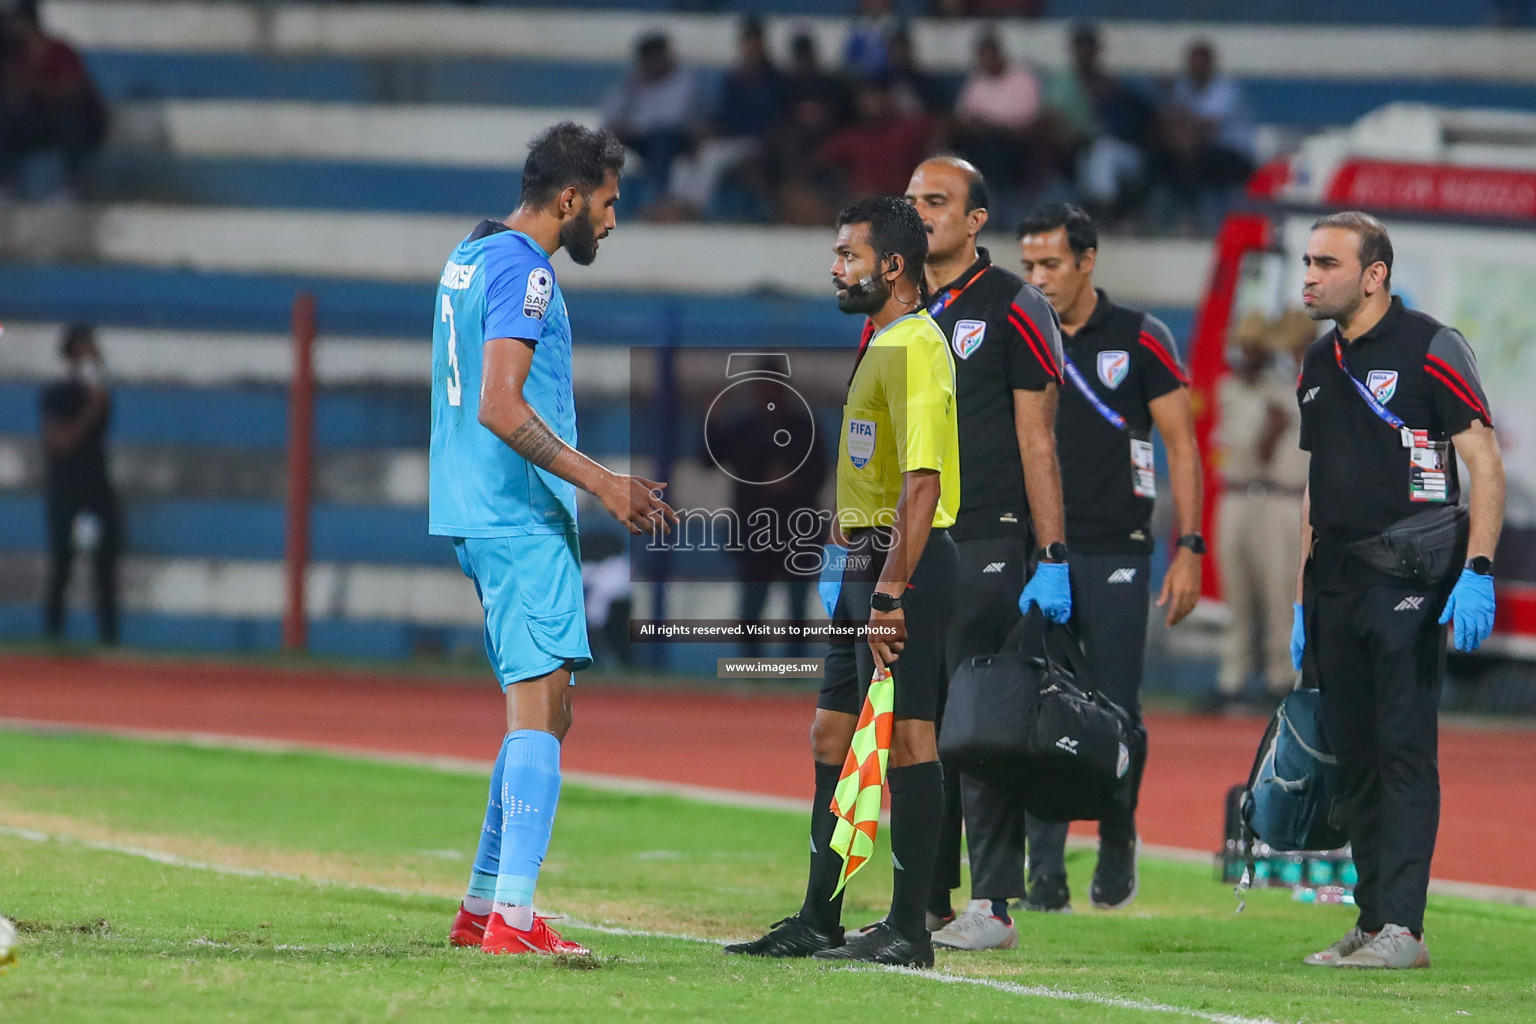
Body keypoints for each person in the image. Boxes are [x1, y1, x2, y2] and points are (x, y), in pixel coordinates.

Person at [431, 122, 678, 957]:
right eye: (607, 204)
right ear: (569, 199)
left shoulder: (470, 252)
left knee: (550, 709)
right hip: (518, 515)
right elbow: (500, 405)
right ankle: (512, 918)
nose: (612, 222)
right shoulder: (527, 272)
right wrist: (602, 481)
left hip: (476, 509)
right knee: (539, 711)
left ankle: (481, 906)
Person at [724, 196, 960, 967]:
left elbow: (922, 483)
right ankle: (819, 919)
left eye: (848, 255)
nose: (835, 267)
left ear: (893, 266)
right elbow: (870, 465)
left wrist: (890, 592)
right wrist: (841, 552)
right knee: (831, 732)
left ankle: (910, 931)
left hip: (903, 567)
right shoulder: (880, 339)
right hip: (863, 559)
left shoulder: (918, 347)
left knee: (908, 742)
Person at [1290, 212, 1504, 970]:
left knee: (1404, 748)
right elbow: (1316, 489)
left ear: (1373, 274)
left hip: (1410, 578)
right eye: (1307, 261)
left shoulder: (1431, 347)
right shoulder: (1317, 361)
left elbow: (1484, 462)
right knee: (1354, 757)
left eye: (1324, 262)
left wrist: (1477, 571)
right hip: (1335, 582)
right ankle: (1373, 915)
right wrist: (1300, 593)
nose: (1308, 275)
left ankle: (1404, 931)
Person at [902, 156, 1070, 951]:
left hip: (987, 539)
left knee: (976, 725)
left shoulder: (1017, 304)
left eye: (936, 201)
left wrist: (1054, 553)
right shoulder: (896, 303)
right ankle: (927, 904)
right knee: (917, 723)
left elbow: (1038, 438)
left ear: (975, 221)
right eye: (911, 201)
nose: (920, 212)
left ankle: (994, 903)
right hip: (914, 546)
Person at [1017, 203, 1204, 912]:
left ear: (1087, 261)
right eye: (1028, 265)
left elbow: (1181, 445)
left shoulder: (1140, 336)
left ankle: (1119, 830)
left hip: (1121, 548)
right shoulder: (1018, 333)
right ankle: (1044, 872)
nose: (1037, 278)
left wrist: (1189, 547)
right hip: (1042, 553)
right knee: (1037, 710)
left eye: (1051, 265)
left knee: (1117, 709)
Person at [1214, 310, 1311, 708]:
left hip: (1287, 497)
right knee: (1237, 590)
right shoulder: (1235, 389)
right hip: (1242, 492)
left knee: (1280, 592)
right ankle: (1233, 678)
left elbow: (1269, 446)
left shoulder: (1291, 389)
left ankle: (1281, 677)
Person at [39, 323, 120, 645]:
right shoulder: (58, 394)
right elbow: (59, 442)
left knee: (106, 563)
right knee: (62, 561)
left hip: (96, 485)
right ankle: (53, 637)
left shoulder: (100, 393)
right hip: (66, 488)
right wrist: (91, 410)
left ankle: (108, 637)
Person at [0, 0, 107, 198]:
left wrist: (34, 86)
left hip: (73, 122)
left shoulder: (60, 51)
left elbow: (71, 92)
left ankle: (72, 186)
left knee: (72, 121)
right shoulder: (16, 58)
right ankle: (6, 184)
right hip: (38, 123)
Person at [1150, 39, 1255, 233]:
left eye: (1200, 61)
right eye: (1192, 61)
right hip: (1199, 154)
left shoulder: (1225, 89)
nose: (1196, 67)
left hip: (1232, 155)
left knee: (1193, 162)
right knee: (1163, 160)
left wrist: (1176, 111)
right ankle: (1168, 221)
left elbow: (1206, 127)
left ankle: (1202, 221)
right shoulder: (1184, 88)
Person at [599, 33, 701, 210]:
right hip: (639, 138)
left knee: (660, 139)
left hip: (676, 139)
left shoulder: (682, 80)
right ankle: (602, 203)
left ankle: (661, 199)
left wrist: (635, 127)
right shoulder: (634, 82)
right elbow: (611, 114)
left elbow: (671, 118)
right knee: (604, 143)